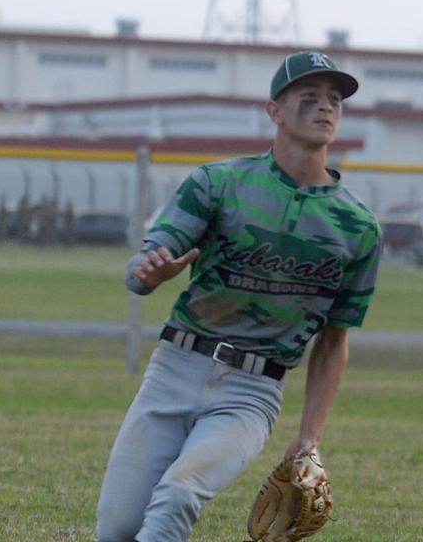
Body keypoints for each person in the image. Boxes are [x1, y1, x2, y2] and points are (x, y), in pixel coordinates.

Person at [96, 50, 382, 541]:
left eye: (335, 99)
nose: (326, 107)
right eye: (309, 97)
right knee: (119, 527)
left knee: (180, 493)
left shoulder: (357, 227)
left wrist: (309, 437)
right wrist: (153, 273)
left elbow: (335, 340)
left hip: (251, 393)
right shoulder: (220, 182)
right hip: (175, 368)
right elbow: (142, 268)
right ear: (274, 111)